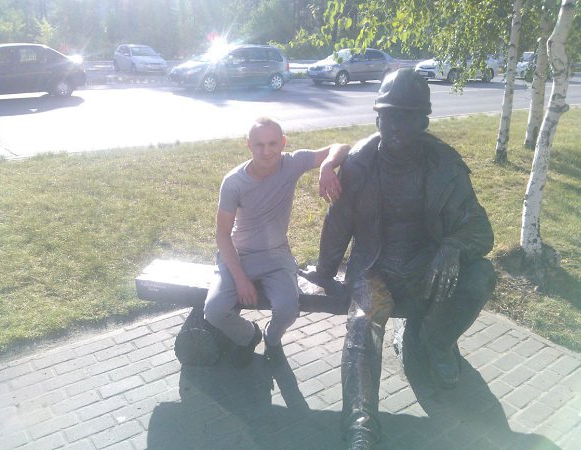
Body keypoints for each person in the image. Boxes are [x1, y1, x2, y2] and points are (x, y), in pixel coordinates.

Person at [302, 68, 496, 449]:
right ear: (377, 118)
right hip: (374, 268)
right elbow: (339, 220)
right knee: (363, 324)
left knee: (481, 276)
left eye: (405, 118)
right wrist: (324, 271)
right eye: (387, 116)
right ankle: (361, 426)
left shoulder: (445, 165)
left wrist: (453, 246)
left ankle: (436, 342)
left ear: (423, 122)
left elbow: (480, 230)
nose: (394, 127)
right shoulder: (359, 162)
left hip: (426, 266)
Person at [204, 117, 350, 368]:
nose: (266, 151)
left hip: (276, 255)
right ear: (248, 145)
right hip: (239, 255)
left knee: (287, 309)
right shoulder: (234, 182)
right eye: (259, 144)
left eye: (272, 143)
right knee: (214, 311)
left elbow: (341, 147)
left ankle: (272, 338)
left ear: (283, 142)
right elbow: (222, 235)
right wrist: (241, 279)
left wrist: (327, 166)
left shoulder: (292, 163)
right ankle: (249, 336)